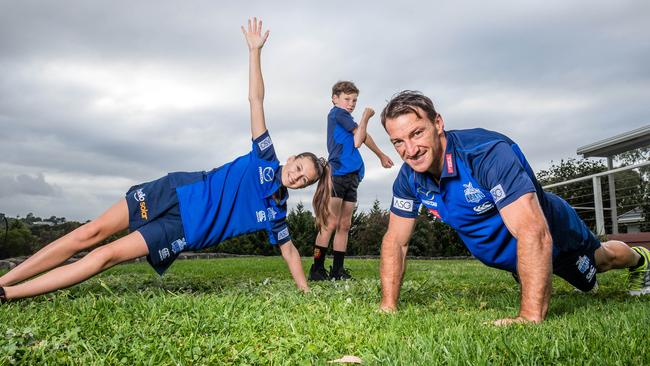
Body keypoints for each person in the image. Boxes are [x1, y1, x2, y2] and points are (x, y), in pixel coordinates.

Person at [0, 18, 331, 303]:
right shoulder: (264, 155)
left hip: (181, 229)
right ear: (291, 159)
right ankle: (4, 279)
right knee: (91, 232)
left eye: (304, 180)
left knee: (106, 256)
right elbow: (256, 99)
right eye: (299, 168)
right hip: (175, 192)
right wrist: (255, 52)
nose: (297, 177)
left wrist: (304, 292)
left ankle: (7, 294)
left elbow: (289, 252)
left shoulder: (276, 211)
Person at [377, 90, 650, 325]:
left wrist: (529, 316)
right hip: (515, 253)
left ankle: (640, 259)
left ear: (438, 123)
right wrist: (388, 306)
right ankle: (526, 271)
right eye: (398, 142)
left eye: (417, 133)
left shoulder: (486, 154)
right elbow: (395, 242)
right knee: (540, 272)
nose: (410, 150)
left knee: (601, 262)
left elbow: (534, 232)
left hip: (551, 231)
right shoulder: (409, 179)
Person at [308, 81, 394, 281]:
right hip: (337, 174)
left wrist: (381, 155)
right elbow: (358, 140)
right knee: (329, 224)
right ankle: (317, 269)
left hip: (352, 175)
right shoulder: (337, 114)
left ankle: (338, 270)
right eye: (347, 99)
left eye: (354, 100)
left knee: (344, 225)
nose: (351, 103)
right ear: (335, 98)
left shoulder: (347, 118)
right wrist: (365, 116)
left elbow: (362, 136)